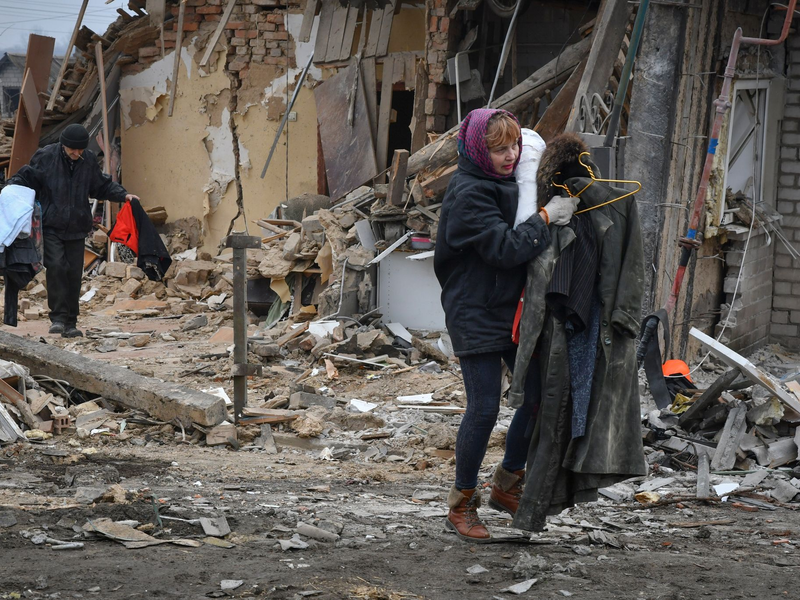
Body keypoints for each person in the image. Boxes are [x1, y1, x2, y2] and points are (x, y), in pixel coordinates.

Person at [433, 108, 578, 542]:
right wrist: (547, 217)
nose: (511, 155)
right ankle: (461, 505)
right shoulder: (468, 193)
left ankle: (507, 483)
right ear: (479, 149)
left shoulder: (505, 183)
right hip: (473, 310)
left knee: (536, 395)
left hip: (508, 310)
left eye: (514, 145)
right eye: (499, 148)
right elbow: (504, 249)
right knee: (484, 408)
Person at [8, 124, 139, 338]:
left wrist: (123, 195)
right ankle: (58, 318)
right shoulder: (46, 157)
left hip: (77, 227)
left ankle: (71, 322)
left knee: (74, 274)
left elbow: (102, 186)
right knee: (57, 266)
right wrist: (11, 189)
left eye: (80, 150)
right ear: (63, 145)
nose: (76, 154)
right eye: (72, 150)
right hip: (52, 225)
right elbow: (26, 177)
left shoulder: (87, 161)